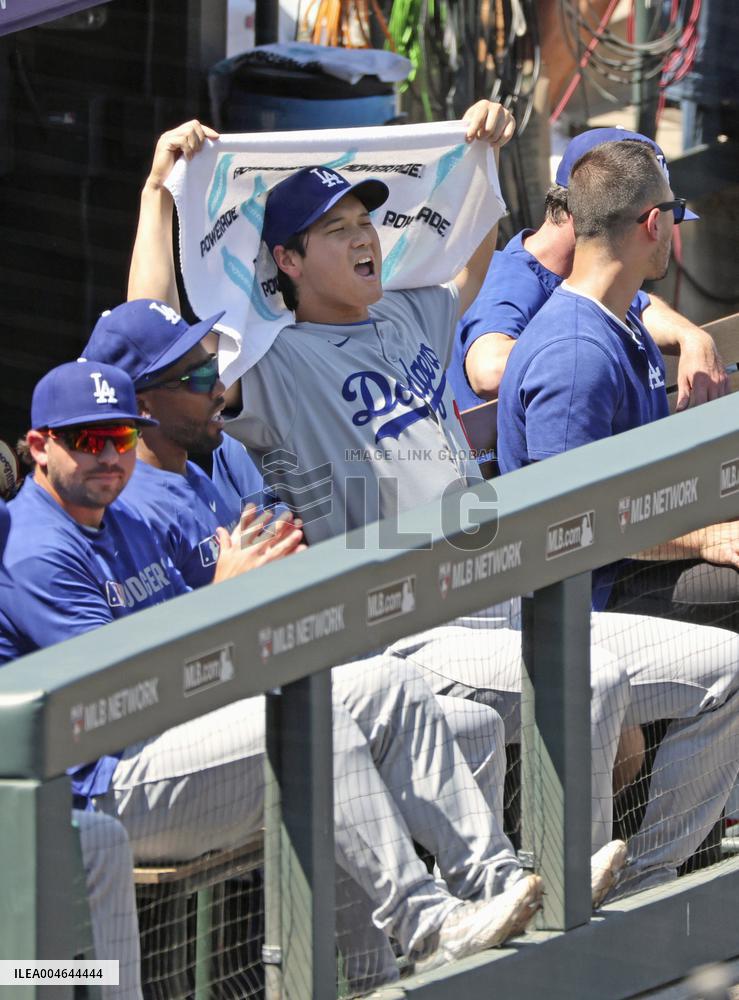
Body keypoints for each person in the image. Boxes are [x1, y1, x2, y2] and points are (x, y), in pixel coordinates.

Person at [123, 112, 739, 902]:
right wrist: (156, 196)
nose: (362, 238)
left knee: (724, 672)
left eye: (364, 221)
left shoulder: (407, 311)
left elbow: (471, 249)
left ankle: (640, 886)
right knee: (582, 682)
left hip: (505, 595)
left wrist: (480, 149)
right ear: (286, 259)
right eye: (335, 230)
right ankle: (568, 906)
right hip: (405, 621)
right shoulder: (268, 360)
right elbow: (148, 343)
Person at [3, 360, 547, 988]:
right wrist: (220, 602)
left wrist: (227, 608)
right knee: (305, 727)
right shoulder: (37, 549)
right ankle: (426, 928)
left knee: (388, 687)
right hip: (113, 782)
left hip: (182, 744)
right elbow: (123, 700)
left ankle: (499, 887)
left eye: (120, 438)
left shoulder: (124, 517)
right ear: (41, 447)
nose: (108, 457)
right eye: (87, 441)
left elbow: (199, 656)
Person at [450, 126, 725, 413]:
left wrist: (692, 338)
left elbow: (641, 307)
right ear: (596, 209)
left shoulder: (584, 277)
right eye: (668, 216)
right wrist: (598, 353)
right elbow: (488, 371)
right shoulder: (511, 275)